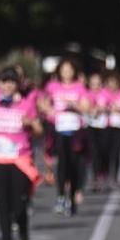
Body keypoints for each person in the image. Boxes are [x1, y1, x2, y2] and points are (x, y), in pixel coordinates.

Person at [0, 67, 42, 240]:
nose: (7, 86)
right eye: (4, 82)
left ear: (17, 85)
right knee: (3, 206)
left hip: (19, 160)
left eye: (11, 82)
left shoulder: (26, 105)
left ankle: (24, 239)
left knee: (18, 205)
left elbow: (39, 131)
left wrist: (29, 123)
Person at [39, 59, 88, 215]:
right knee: (62, 164)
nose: (67, 73)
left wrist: (73, 105)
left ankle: (72, 198)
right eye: (64, 69)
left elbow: (86, 107)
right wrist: (50, 110)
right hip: (58, 129)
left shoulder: (79, 87)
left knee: (73, 165)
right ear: (59, 71)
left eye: (69, 69)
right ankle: (60, 196)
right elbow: (43, 103)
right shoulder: (53, 86)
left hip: (75, 131)